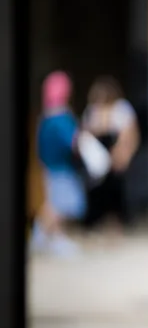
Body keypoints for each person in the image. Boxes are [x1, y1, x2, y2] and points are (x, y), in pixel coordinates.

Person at [32, 70, 86, 256]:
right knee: (64, 204)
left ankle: (47, 237)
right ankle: (45, 237)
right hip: (62, 168)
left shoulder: (45, 118)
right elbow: (73, 141)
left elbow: (39, 146)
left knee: (54, 203)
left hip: (48, 167)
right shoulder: (62, 118)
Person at [82, 75, 140, 235]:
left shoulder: (121, 108)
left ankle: (117, 223)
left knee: (117, 190)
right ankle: (98, 222)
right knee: (98, 190)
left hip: (116, 152)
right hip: (99, 156)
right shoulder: (92, 110)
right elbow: (87, 132)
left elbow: (129, 134)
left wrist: (123, 154)